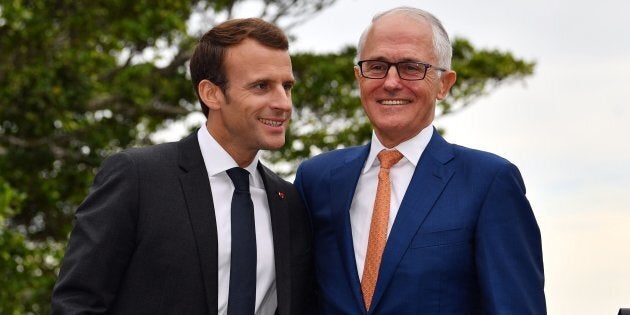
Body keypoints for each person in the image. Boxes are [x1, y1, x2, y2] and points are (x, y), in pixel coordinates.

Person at [52, 18, 314, 314]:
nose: (283, 103)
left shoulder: (289, 202)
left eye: (287, 86)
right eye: (261, 86)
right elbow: (76, 303)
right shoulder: (138, 177)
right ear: (211, 93)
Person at [294, 6, 546, 314]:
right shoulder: (316, 180)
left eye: (411, 67)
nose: (390, 82)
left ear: (444, 84)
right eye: (376, 66)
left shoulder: (489, 183)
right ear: (358, 77)